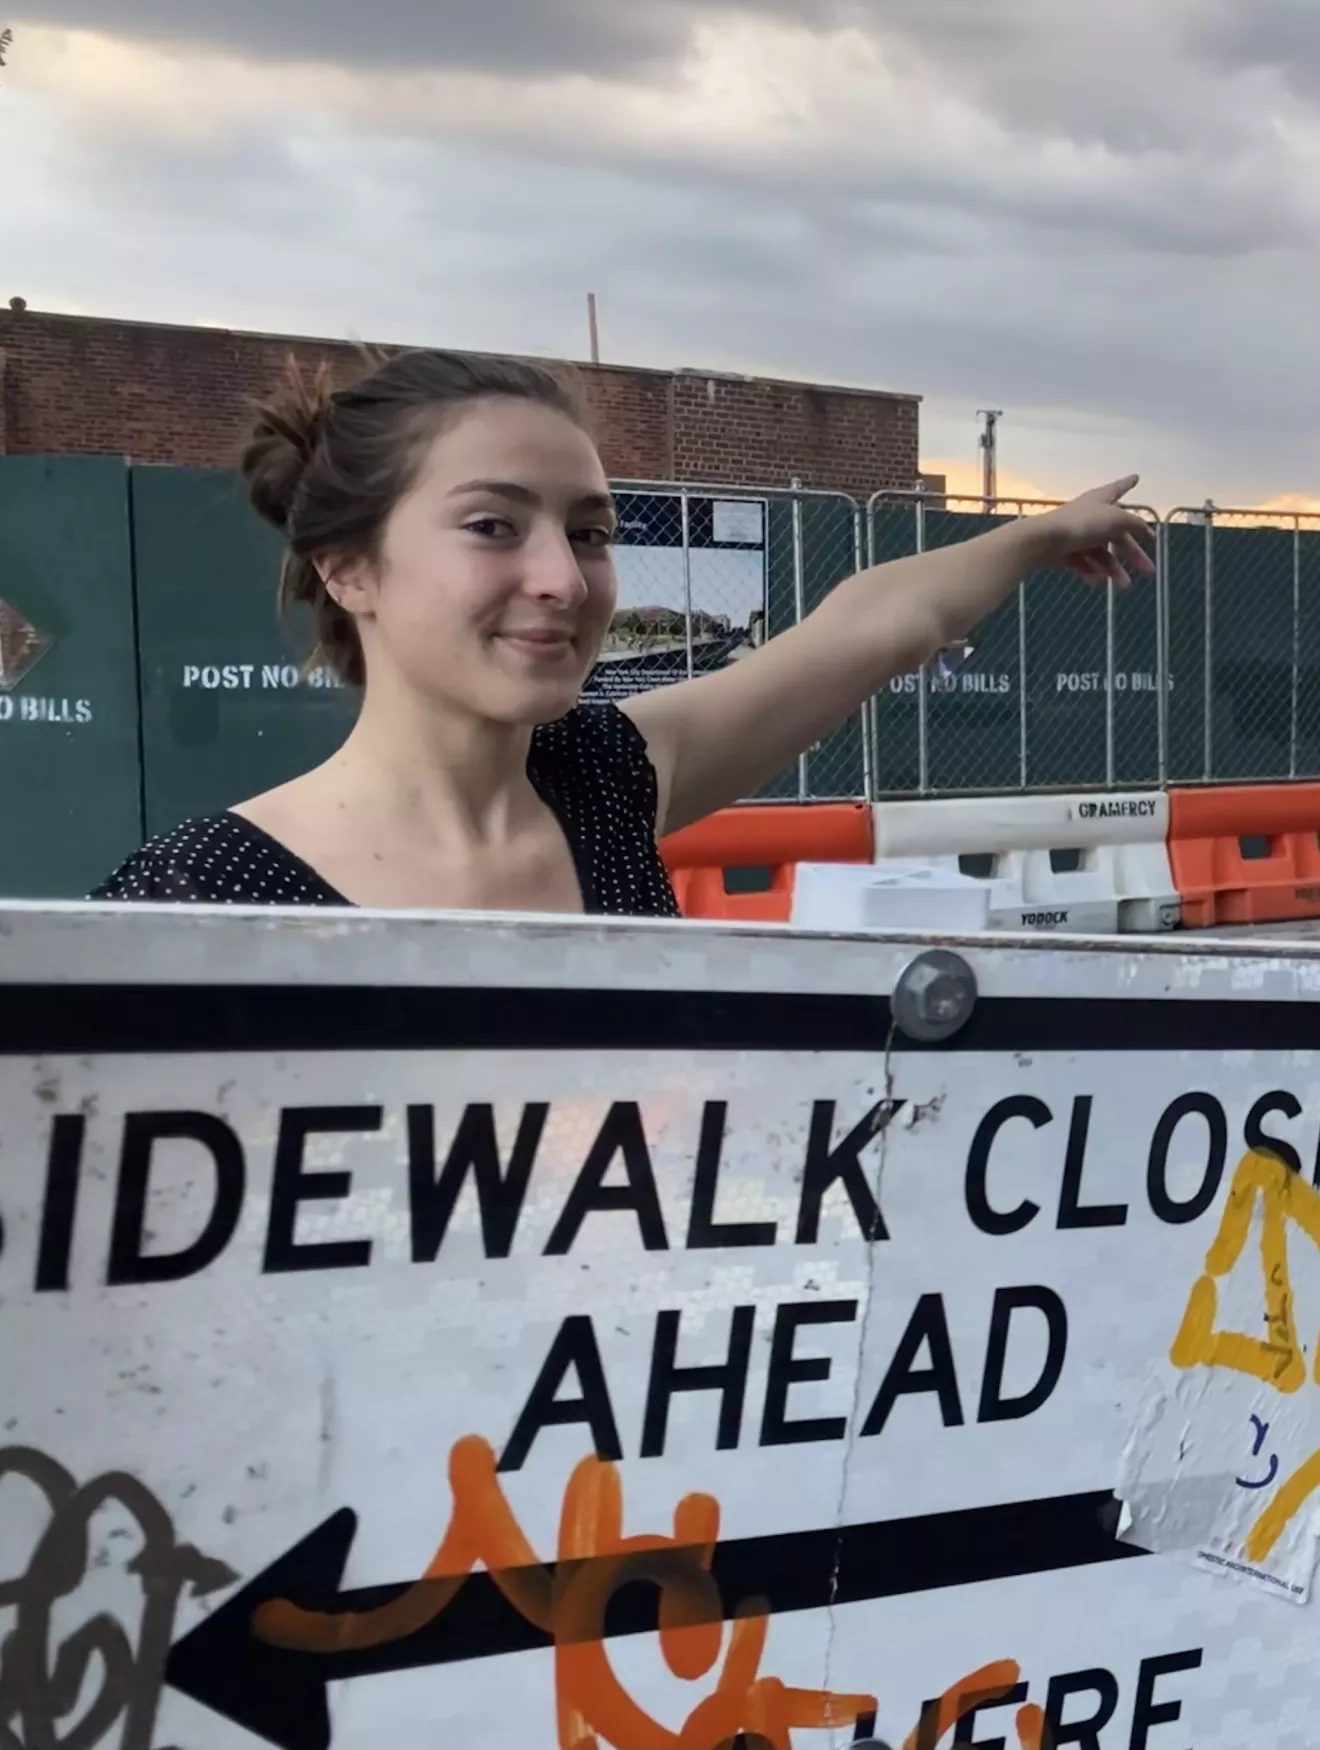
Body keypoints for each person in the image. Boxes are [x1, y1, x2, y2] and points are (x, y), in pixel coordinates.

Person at [93, 348, 1154, 916]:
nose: (561, 577)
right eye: (492, 526)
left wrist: (1041, 534)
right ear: (349, 566)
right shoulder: (198, 899)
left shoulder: (603, 785)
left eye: (591, 532)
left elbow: (869, 625)